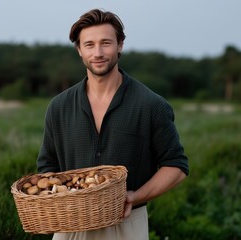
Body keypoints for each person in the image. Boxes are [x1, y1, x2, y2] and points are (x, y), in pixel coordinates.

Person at [36, 8, 189, 240]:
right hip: (70, 225)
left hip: (126, 222)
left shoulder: (151, 105)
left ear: (120, 45)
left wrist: (134, 196)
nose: (98, 52)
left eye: (105, 43)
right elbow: (47, 166)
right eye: (89, 44)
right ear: (79, 50)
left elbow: (176, 166)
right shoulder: (58, 107)